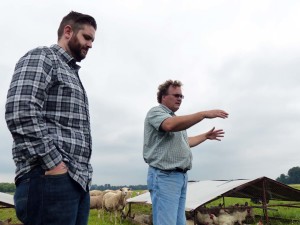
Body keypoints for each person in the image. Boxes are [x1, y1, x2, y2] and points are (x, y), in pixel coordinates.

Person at [5, 11, 97, 225]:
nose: (90, 44)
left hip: (76, 181)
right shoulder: (44, 57)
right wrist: (55, 165)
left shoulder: (72, 73)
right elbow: (20, 110)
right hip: (49, 179)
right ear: (68, 31)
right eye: (87, 37)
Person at [143, 80, 229, 225]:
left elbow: (186, 142)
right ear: (163, 96)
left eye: (181, 96)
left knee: (179, 222)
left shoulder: (177, 121)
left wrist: (205, 136)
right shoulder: (156, 112)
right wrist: (203, 114)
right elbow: (169, 125)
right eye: (176, 95)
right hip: (165, 176)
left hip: (179, 177)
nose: (179, 99)